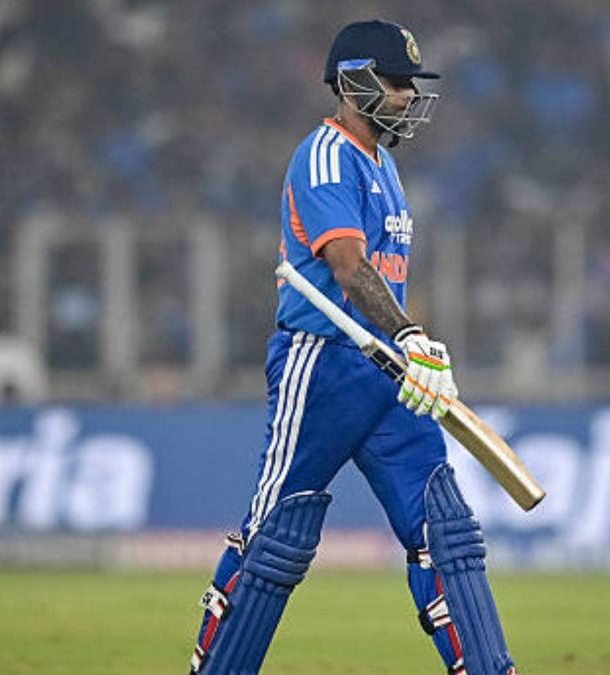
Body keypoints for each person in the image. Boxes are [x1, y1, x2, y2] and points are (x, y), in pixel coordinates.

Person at [187, 19, 517, 675]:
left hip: (387, 371)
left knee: (446, 530)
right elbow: (347, 267)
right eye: (396, 82)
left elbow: (383, 279)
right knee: (277, 536)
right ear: (354, 82)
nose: (408, 95)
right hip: (321, 364)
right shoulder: (324, 155)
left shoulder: (384, 165)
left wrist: (409, 346)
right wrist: (411, 334)